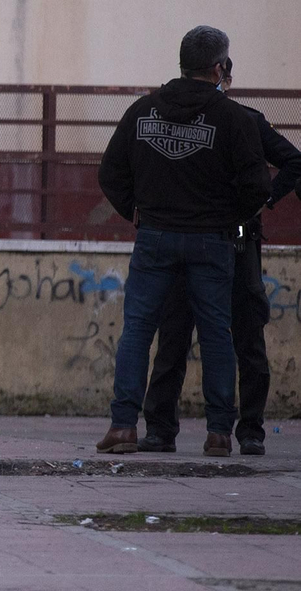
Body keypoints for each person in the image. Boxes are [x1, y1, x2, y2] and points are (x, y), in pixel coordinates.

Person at [96, 26, 270, 456]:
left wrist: (135, 210)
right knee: (216, 333)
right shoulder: (233, 119)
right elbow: (256, 186)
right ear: (219, 68)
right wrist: (228, 218)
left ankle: (123, 427)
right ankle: (217, 433)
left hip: (154, 237)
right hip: (211, 242)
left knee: (137, 330)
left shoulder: (143, 111)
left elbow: (110, 172)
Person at [140, 57, 301, 455]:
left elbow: (294, 161)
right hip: (216, 239)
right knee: (187, 334)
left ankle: (240, 429)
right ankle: (199, 430)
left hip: (228, 240)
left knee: (231, 334)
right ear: (220, 75)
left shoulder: (243, 120)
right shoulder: (218, 120)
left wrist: (265, 200)